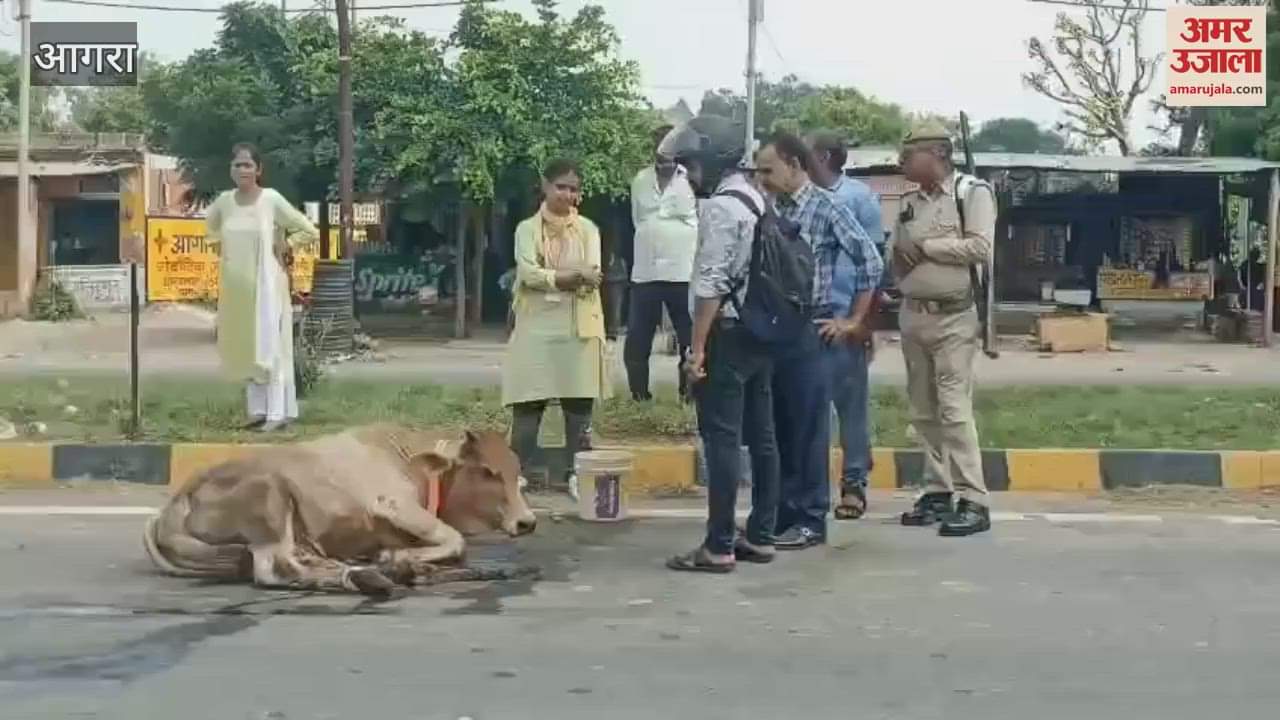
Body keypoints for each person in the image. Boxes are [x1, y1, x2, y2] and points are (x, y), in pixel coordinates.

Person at [664, 115, 781, 573]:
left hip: (728, 334)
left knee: (722, 441)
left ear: (710, 161)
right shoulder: (756, 198)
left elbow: (710, 284)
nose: (688, 175)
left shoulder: (719, 206)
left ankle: (718, 546)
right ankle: (762, 536)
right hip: (761, 332)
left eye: (690, 165)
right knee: (763, 437)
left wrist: (697, 350)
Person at [755, 131, 882, 550]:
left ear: (794, 165)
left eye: (768, 170)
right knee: (783, 426)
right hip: (778, 329)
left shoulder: (828, 208)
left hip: (813, 328)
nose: (763, 178)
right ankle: (784, 515)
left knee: (810, 428)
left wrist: (852, 321)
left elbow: (870, 260)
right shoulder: (771, 208)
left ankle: (811, 517)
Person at [892, 122, 995, 537]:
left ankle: (974, 498)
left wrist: (928, 248)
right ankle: (938, 489)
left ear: (936, 153)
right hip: (913, 314)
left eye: (908, 153)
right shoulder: (909, 201)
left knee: (953, 408)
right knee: (922, 409)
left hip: (955, 317)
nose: (901, 161)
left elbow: (981, 248)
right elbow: (898, 250)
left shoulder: (971, 193)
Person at [502, 159, 610, 495]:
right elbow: (528, 275)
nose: (567, 194)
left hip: (578, 327)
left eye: (573, 189)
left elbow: (591, 276)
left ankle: (575, 474)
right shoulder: (526, 229)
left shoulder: (588, 229)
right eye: (560, 186)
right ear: (545, 186)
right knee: (527, 404)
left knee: (578, 406)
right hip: (535, 327)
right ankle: (516, 474)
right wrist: (568, 277)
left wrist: (557, 279)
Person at [206, 142, 319, 432]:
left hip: (268, 287)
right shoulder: (224, 202)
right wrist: (225, 254)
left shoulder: (270, 199)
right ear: (230, 170)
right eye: (237, 165)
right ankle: (256, 410)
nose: (242, 170)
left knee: (272, 348)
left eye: (247, 165)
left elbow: (307, 230)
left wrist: (286, 245)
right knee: (246, 347)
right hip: (236, 288)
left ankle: (278, 413)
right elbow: (211, 233)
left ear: (258, 169)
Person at [806, 130, 884, 520]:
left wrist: (861, 323)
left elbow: (873, 264)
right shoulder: (797, 199)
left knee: (851, 410)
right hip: (806, 323)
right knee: (811, 413)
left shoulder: (858, 198)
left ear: (824, 155)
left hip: (843, 322)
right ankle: (812, 488)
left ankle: (854, 484)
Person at [625, 125, 698, 401]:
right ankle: (639, 396)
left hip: (684, 272)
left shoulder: (692, 178)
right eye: (660, 144)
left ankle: (688, 394)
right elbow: (637, 220)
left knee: (689, 337)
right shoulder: (640, 180)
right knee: (637, 338)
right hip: (646, 272)